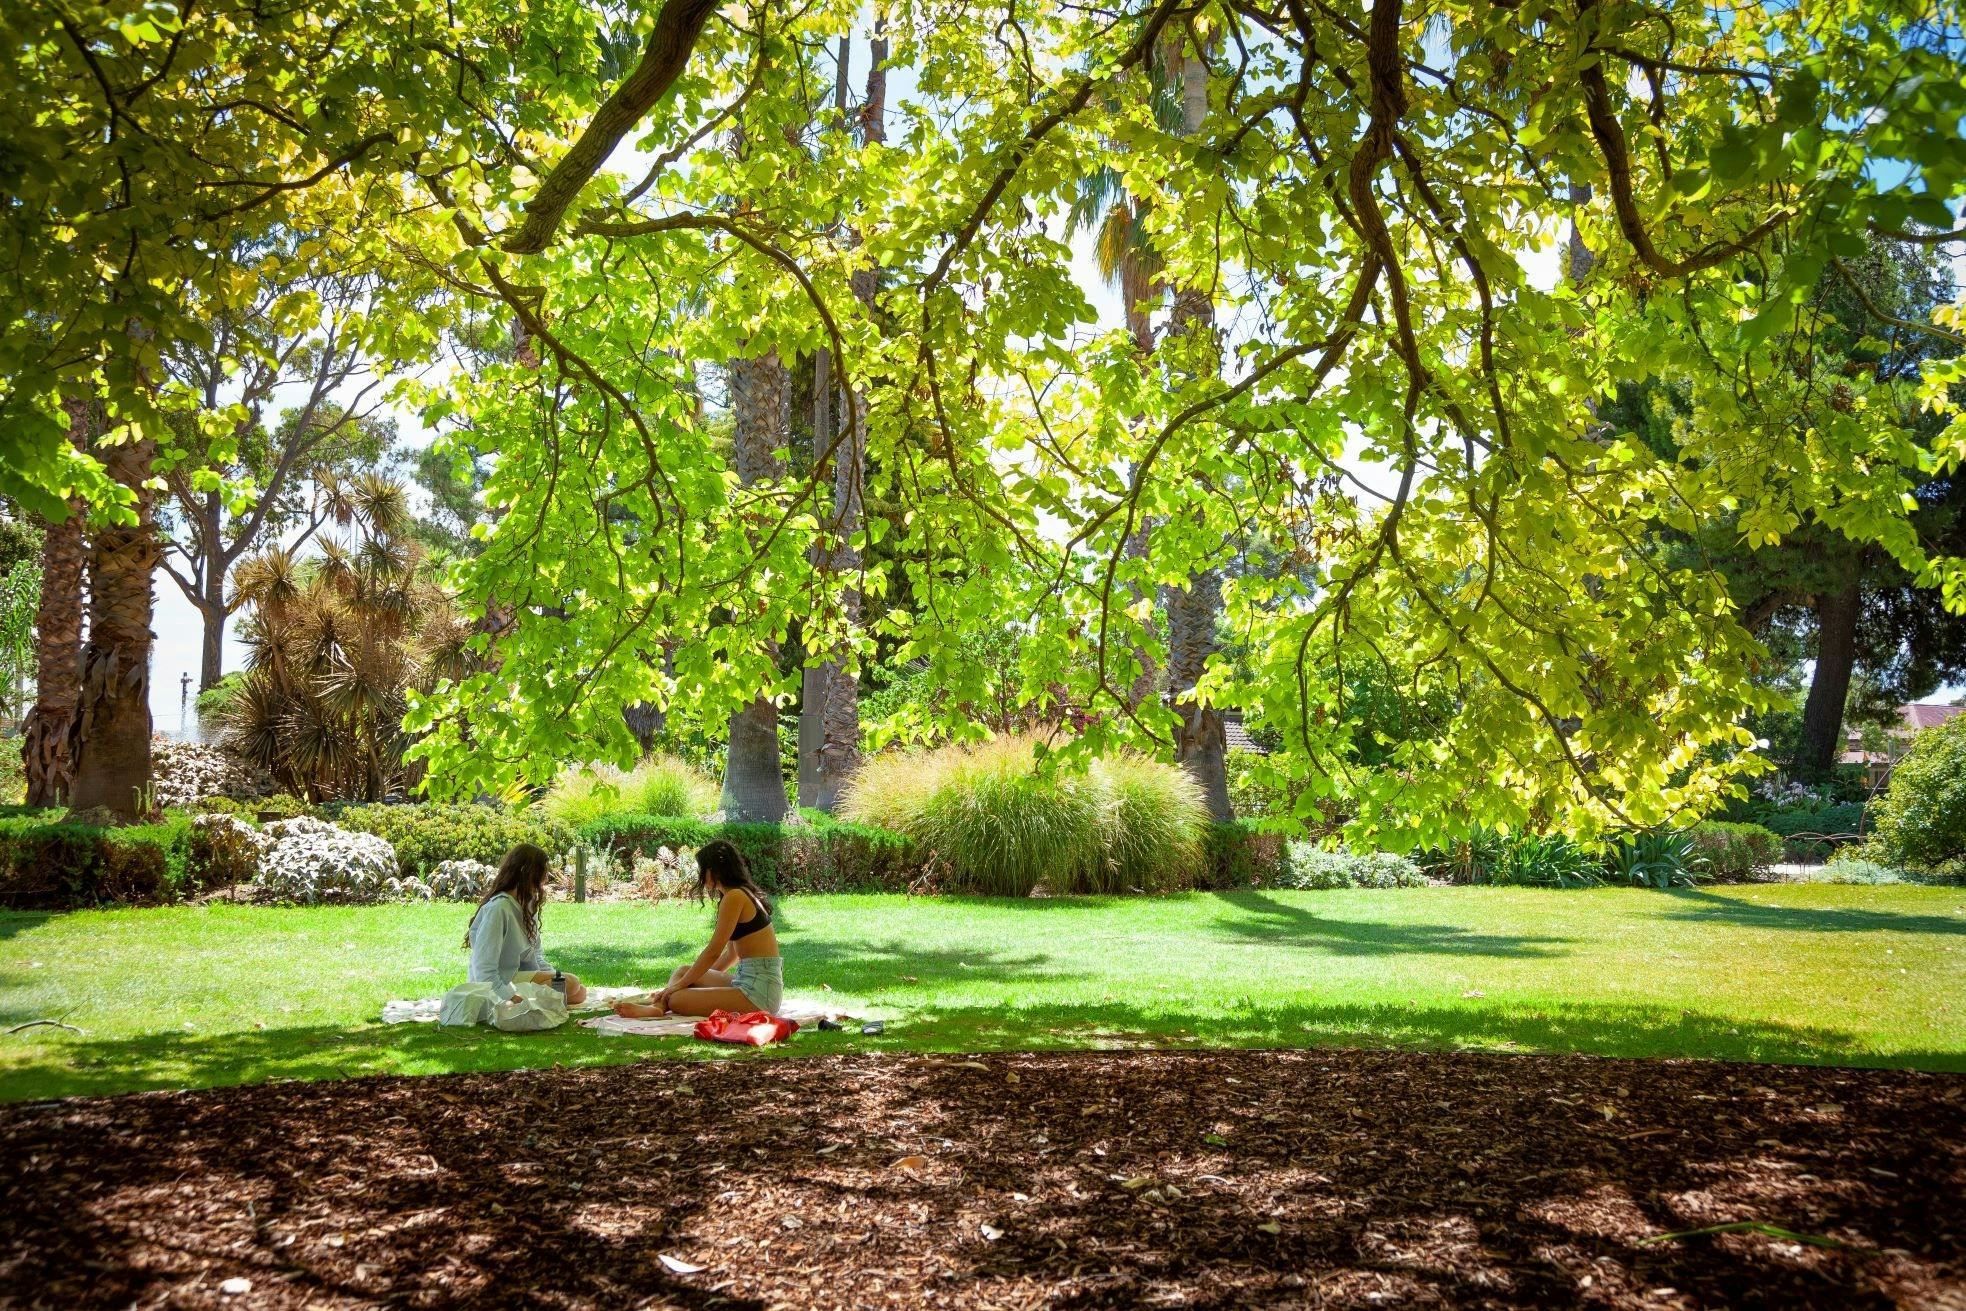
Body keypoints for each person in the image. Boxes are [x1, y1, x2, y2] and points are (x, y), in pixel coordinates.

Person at [613, 839, 782, 1017]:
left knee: (678, 998)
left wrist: (681, 986)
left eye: (703, 869)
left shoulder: (735, 897)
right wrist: (692, 981)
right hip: (749, 982)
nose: (700, 875)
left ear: (714, 869)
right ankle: (658, 1008)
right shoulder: (737, 894)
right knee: (682, 971)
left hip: (759, 993)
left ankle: (664, 1004)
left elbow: (713, 951)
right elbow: (731, 955)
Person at [465, 843, 588, 1005]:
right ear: (528, 873)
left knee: (579, 993)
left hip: (521, 977)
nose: (546, 878)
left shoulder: (529, 905)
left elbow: (535, 955)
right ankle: (528, 1001)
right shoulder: (499, 908)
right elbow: (483, 968)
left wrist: (552, 975)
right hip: (500, 981)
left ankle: (534, 1000)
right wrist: (508, 996)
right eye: (543, 872)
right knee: (571, 983)